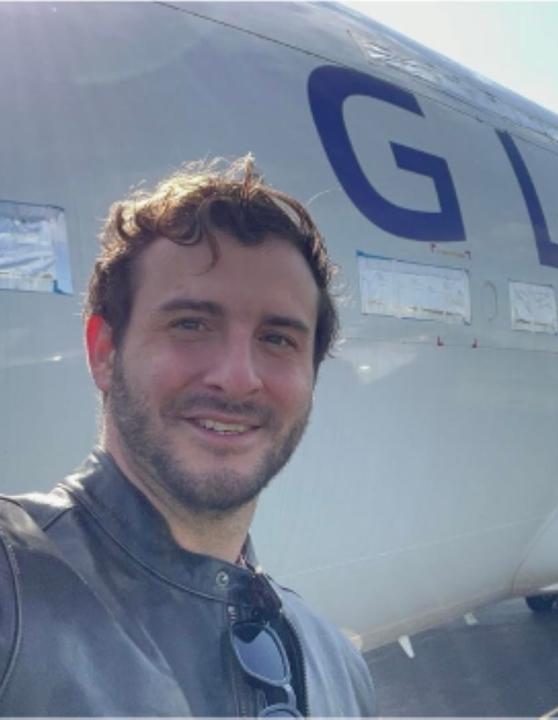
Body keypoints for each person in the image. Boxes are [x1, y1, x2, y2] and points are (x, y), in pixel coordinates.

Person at [0, 157, 377, 716]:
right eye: (191, 324)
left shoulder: (337, 669)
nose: (238, 376)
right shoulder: (14, 587)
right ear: (103, 352)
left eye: (277, 339)